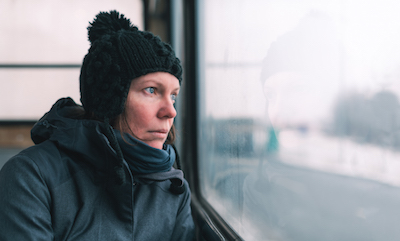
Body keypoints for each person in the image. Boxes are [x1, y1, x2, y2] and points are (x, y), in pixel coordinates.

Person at [0, 10, 195, 241]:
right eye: (151, 90)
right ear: (110, 101)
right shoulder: (30, 176)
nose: (170, 111)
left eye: (173, 96)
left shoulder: (174, 189)